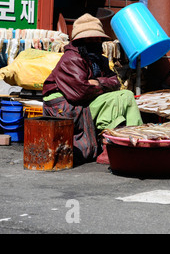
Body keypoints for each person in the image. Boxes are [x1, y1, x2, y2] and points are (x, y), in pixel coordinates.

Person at [42, 14, 143, 164]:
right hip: (66, 107)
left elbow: (115, 82)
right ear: (80, 41)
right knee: (123, 97)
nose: (95, 42)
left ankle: (137, 141)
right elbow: (80, 92)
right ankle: (111, 147)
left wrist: (96, 82)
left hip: (85, 101)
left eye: (97, 39)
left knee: (125, 96)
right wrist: (101, 84)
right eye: (90, 39)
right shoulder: (71, 59)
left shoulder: (98, 59)